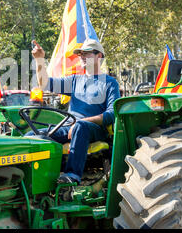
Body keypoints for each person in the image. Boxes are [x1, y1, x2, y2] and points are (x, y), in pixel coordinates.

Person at [29, 39, 120, 184]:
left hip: (94, 129)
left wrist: (82, 121)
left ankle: (72, 175)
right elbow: (45, 84)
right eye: (80, 54)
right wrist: (39, 59)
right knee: (32, 135)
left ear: (99, 56)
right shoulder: (75, 80)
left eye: (87, 53)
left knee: (80, 127)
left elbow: (111, 113)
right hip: (71, 126)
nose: (82, 56)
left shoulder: (110, 83)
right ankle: (39, 179)